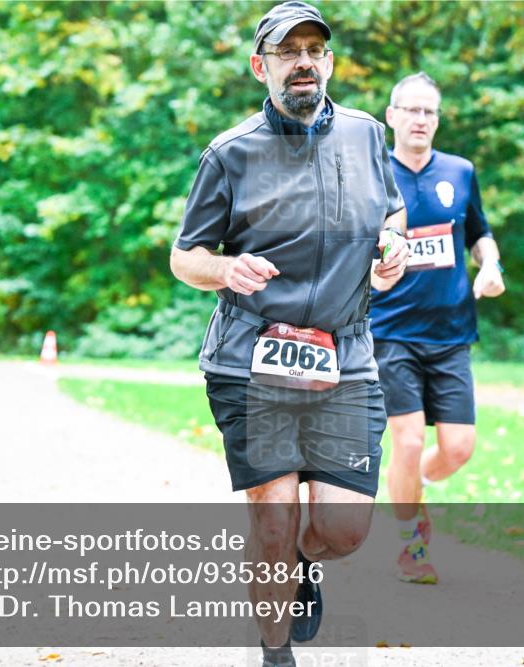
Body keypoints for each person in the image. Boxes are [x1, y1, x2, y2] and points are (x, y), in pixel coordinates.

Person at [169, 3, 408, 664]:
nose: (304, 61)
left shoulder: (364, 135)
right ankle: (276, 652)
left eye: (315, 50)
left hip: (346, 357)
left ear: (329, 62)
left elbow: (393, 212)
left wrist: (393, 245)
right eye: (287, 51)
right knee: (271, 517)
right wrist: (225, 266)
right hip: (252, 358)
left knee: (343, 529)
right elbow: (183, 256)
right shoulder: (230, 153)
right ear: (261, 66)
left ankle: (305, 560)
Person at [368, 72, 504, 585]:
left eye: (430, 112)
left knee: (458, 448)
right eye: (412, 110)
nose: (421, 119)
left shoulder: (460, 171)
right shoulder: (374, 172)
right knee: (404, 442)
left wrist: (490, 266)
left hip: (451, 333)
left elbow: (480, 234)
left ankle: (408, 491)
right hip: (391, 330)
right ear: (392, 116)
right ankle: (411, 545)